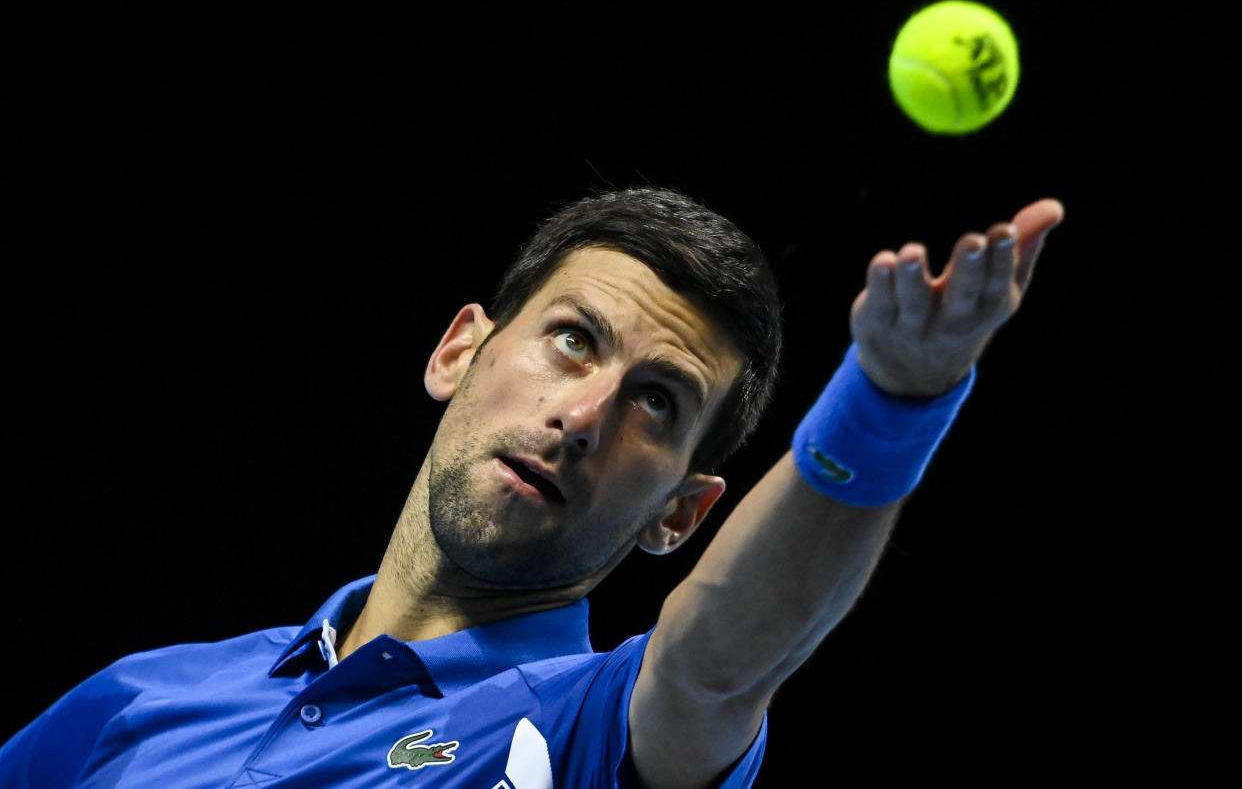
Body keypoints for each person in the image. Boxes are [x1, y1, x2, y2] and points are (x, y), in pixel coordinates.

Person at [0, 187, 1064, 788]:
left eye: (655, 401)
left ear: (681, 514)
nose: (587, 413)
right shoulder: (142, 698)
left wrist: (890, 403)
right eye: (571, 339)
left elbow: (718, 663)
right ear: (460, 347)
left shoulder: (586, 730)